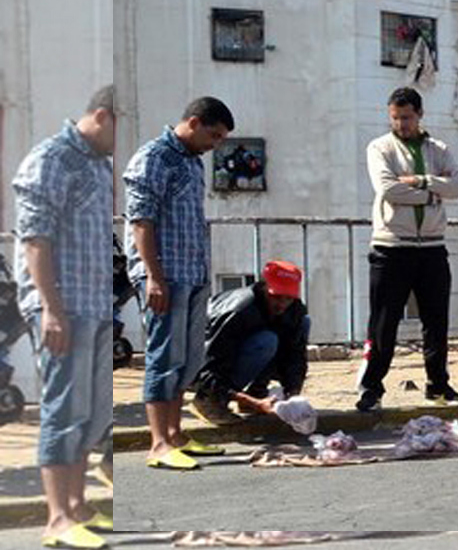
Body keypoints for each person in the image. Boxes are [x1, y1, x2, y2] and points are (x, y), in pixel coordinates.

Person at [12, 85, 116, 548]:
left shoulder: (99, 164)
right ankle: (56, 518)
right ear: (103, 116)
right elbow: (35, 240)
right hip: (62, 306)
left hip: (94, 304)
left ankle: (77, 506)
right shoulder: (51, 159)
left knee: (90, 414)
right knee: (63, 409)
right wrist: (51, 309)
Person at [125, 96, 235, 472]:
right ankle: (158, 443)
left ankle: (175, 434)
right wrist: (154, 277)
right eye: (214, 135)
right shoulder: (154, 157)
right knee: (164, 356)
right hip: (165, 275)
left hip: (192, 272)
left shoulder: (192, 161)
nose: (215, 145)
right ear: (194, 122)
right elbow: (141, 221)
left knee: (188, 359)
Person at [357, 87, 458, 412]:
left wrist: (420, 181)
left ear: (419, 115)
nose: (401, 124)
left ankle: (438, 385)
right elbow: (388, 189)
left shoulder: (439, 149)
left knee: (436, 322)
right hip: (391, 246)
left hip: (432, 246)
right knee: (383, 322)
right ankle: (371, 388)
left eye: (406, 117)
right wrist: (434, 191)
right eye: (395, 118)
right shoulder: (380, 147)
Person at [191, 261, 311, 426]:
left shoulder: (294, 310)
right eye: (276, 297)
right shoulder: (237, 311)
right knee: (267, 341)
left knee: (303, 322)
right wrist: (253, 402)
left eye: (288, 298)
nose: (282, 305)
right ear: (263, 288)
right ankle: (209, 400)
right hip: (199, 364)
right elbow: (211, 367)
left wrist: (293, 395)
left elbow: (295, 356)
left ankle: (257, 392)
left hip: (240, 353)